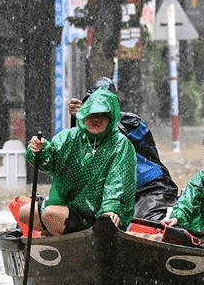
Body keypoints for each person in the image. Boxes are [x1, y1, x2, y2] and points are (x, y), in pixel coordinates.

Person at [22, 88, 138, 235]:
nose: (95, 120)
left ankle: (65, 234)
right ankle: (56, 233)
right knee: (25, 212)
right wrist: (38, 149)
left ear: (111, 118)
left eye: (102, 116)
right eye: (91, 115)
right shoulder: (69, 137)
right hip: (69, 206)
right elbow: (48, 162)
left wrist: (111, 210)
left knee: (51, 215)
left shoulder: (120, 144)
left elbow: (118, 183)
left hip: (96, 214)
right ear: (83, 116)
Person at [67, 79, 180, 222]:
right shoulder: (85, 132)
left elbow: (116, 135)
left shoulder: (132, 122)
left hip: (151, 190)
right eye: (92, 106)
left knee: (142, 224)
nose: (96, 114)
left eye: (101, 108)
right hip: (118, 193)